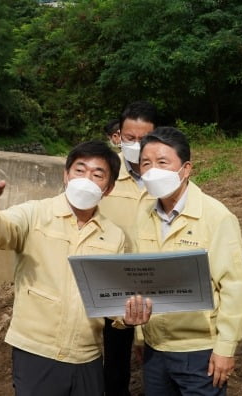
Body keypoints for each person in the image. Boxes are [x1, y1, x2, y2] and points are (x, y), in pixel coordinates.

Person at [0, 141, 152, 396]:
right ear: (66, 175)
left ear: (107, 189)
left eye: (98, 174)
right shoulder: (35, 214)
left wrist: (126, 319)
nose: (86, 179)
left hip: (87, 356)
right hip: (37, 351)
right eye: (79, 170)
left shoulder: (114, 236)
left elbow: (112, 297)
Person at [136, 126, 242, 395]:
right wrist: (140, 336)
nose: (153, 170)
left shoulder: (216, 217)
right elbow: (141, 279)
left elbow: (235, 288)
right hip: (155, 348)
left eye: (163, 163)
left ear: (186, 168)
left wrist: (225, 348)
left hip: (198, 349)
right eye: (146, 163)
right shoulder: (142, 214)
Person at [98, 100, 158, 396]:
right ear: (118, 136)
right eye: (130, 138)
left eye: (144, 139)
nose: (136, 145)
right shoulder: (104, 176)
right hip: (117, 280)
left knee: (158, 357)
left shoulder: (165, 177)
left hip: (157, 277)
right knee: (116, 360)